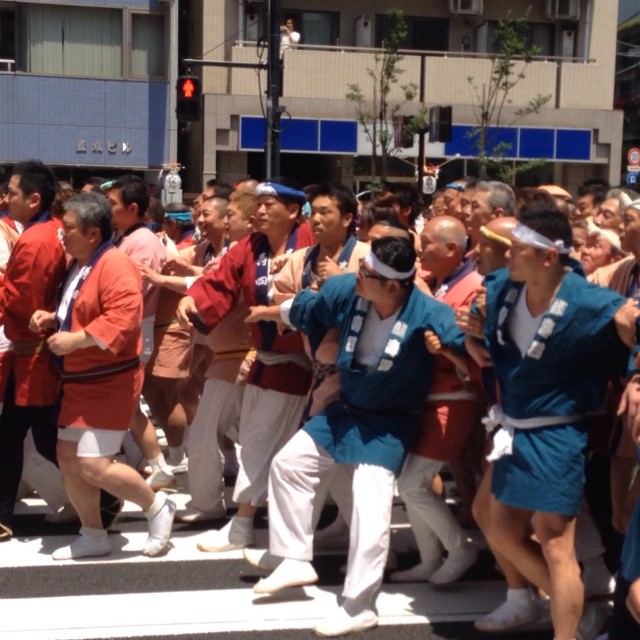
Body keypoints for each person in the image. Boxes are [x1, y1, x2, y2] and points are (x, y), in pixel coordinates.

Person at [244, 236, 465, 636]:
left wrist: (452, 349)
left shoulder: (429, 312)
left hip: (390, 421)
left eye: (366, 273)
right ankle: (295, 558)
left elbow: (466, 349)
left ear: (393, 286)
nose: (357, 274)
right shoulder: (349, 288)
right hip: (345, 408)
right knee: (289, 465)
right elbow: (308, 307)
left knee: (371, 502)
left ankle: (360, 604)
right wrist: (267, 311)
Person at [472, 207, 638, 640]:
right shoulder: (507, 289)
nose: (509, 256)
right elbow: (481, 311)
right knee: (502, 530)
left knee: (556, 543)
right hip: (513, 428)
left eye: (518, 250)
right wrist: (471, 333)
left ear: (548, 257)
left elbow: (627, 320)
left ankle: (568, 631)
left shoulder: (588, 301)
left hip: (557, 432)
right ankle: (578, 611)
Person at [30, 192, 175, 559]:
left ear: (93, 233)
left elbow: (123, 319)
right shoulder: (81, 263)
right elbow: (78, 308)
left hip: (109, 380)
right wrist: (53, 319)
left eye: (69, 229)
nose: (62, 235)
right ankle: (93, 533)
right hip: (81, 380)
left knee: (94, 465)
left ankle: (156, 505)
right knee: (67, 456)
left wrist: (76, 338)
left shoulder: (114, 264)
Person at [177, 178, 314, 552]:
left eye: (272, 204)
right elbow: (218, 281)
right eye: (260, 203)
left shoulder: (308, 244)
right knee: (275, 444)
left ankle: (243, 524)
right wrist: (194, 299)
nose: (262, 209)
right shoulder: (250, 247)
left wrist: (276, 309)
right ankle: (330, 519)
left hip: (304, 361)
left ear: (294, 212)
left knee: (258, 442)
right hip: (265, 359)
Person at [390, 216, 483, 584]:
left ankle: (460, 548)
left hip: (453, 398)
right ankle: (430, 557)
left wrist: (444, 347)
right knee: (413, 483)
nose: (419, 249)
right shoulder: (433, 282)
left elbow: (472, 353)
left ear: (452, 249)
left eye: (427, 242)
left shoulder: (473, 287)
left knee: (414, 483)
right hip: (424, 397)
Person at [0, 160, 67, 540]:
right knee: (28, 436)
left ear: (34, 198)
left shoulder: (36, 238)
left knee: (38, 438)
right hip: (34, 352)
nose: (6, 197)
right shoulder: (51, 232)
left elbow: (21, 300)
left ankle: (107, 494)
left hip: (33, 354)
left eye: (12, 192)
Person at [105, 175, 175, 491]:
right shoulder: (124, 236)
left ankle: (154, 463)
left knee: (126, 402)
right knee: (124, 403)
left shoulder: (143, 241)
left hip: (134, 328)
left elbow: (133, 289)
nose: (107, 210)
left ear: (133, 208)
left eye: (112, 205)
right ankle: (146, 462)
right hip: (126, 328)